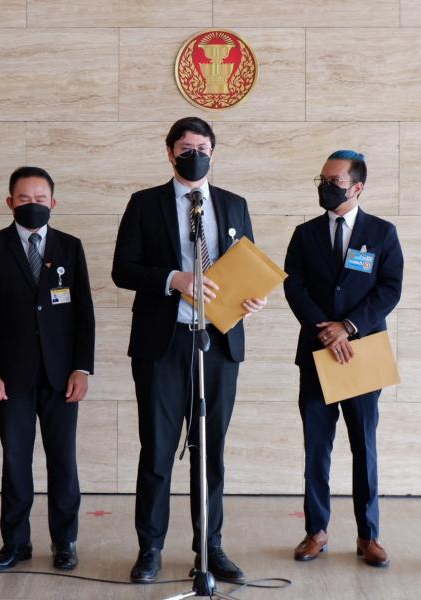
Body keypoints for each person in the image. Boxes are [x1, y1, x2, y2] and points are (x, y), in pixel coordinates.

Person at [112, 117, 266, 584]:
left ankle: (210, 547)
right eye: (185, 147)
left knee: (210, 451)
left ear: (213, 153)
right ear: (170, 153)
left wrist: (252, 297)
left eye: (202, 147)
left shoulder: (234, 204)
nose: (194, 154)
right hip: (163, 343)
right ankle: (150, 548)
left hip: (219, 342)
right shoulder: (144, 204)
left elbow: (248, 265)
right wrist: (172, 279)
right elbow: (122, 269)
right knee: (158, 449)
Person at [0, 166, 95, 572]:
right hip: (11, 377)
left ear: (53, 202)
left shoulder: (70, 247)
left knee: (63, 461)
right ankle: (15, 542)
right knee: (15, 461)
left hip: (62, 377)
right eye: (24, 199)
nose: (33, 204)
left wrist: (82, 368)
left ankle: (65, 541)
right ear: (10, 203)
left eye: (40, 199)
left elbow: (84, 314)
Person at [283, 150, 403, 568]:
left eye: (334, 181)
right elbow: (294, 286)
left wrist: (348, 327)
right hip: (317, 354)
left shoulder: (382, 232)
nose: (326, 187)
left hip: (362, 353)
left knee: (364, 447)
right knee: (316, 448)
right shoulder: (304, 234)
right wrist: (325, 329)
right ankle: (315, 531)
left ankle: (368, 536)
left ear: (357, 187)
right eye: (322, 180)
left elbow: (390, 288)